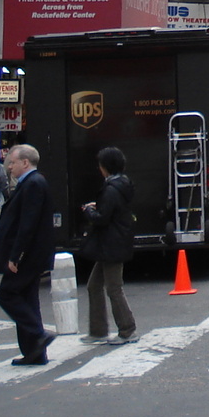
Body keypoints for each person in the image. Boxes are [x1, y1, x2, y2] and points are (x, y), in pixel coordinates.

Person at [0, 144, 57, 365]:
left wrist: (15, 255)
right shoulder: (30, 184)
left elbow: (28, 224)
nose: (9, 167)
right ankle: (35, 353)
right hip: (30, 254)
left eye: (13, 163)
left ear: (25, 163)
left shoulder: (33, 184)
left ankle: (38, 334)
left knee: (7, 294)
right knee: (27, 299)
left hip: (28, 256)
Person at [79, 147, 137, 346]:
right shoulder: (122, 184)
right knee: (94, 285)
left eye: (100, 165)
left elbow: (103, 219)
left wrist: (88, 211)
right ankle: (98, 330)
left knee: (113, 287)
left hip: (111, 243)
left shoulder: (111, 188)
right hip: (114, 242)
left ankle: (127, 329)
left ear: (105, 167)